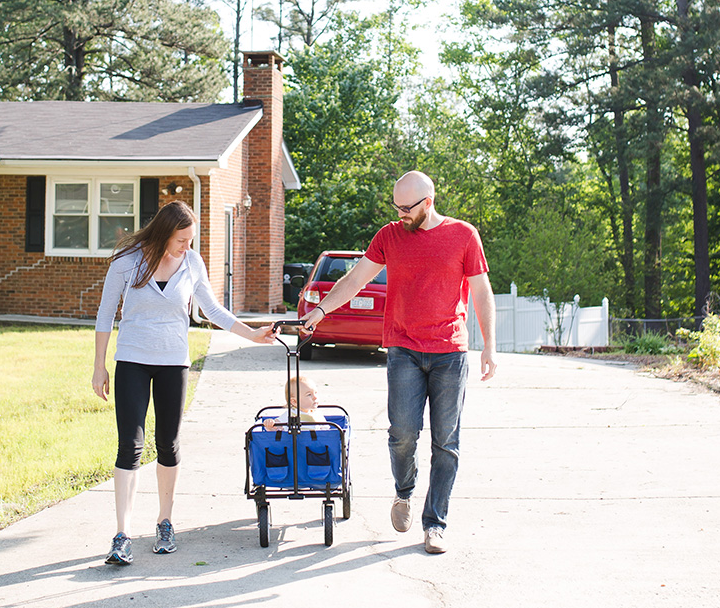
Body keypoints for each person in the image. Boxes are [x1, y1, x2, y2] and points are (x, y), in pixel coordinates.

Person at [301, 170, 496, 554]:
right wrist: (321, 309)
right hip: (403, 348)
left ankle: (435, 524)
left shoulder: (463, 235)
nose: (400, 214)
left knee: (446, 442)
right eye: (396, 207)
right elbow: (356, 279)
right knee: (402, 434)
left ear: (428, 202)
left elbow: (481, 291)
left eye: (407, 208)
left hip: (449, 352)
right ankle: (404, 492)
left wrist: (489, 345)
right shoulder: (389, 236)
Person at [92, 200, 275, 566]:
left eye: (190, 240)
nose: (186, 247)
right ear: (163, 234)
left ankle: (164, 522)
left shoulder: (192, 263)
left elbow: (212, 309)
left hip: (173, 361)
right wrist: (99, 367)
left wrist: (251, 334)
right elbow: (104, 314)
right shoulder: (127, 261)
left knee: (168, 443)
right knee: (130, 444)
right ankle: (122, 534)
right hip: (132, 359)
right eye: (181, 240)